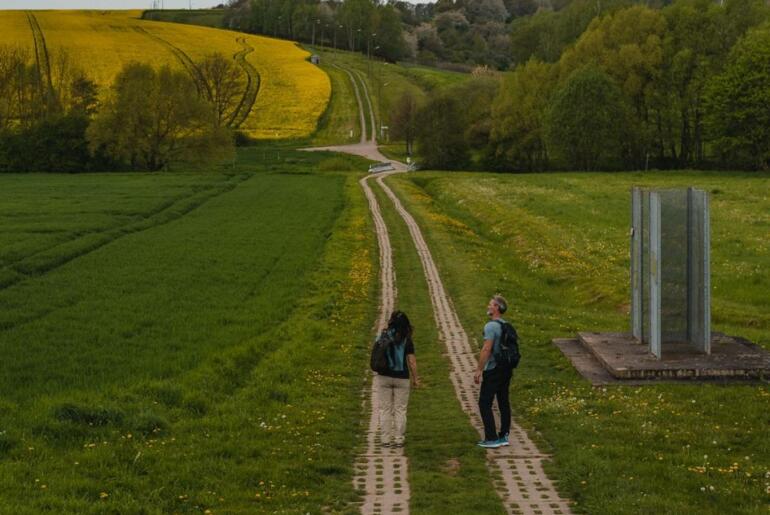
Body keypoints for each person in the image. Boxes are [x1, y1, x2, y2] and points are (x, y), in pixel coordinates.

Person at [375, 310, 420, 448]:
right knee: (400, 409)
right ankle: (399, 439)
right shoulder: (407, 339)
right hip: (402, 378)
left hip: (384, 376)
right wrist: (415, 378)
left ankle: (385, 440)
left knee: (385, 409)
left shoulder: (383, 336)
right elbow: (411, 361)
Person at [474, 295, 513, 449]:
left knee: (484, 402)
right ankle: (504, 436)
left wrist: (479, 369)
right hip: (506, 369)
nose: (488, 306)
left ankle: (491, 438)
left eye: (490, 304)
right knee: (503, 402)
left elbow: (486, 348)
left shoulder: (490, 326)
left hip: (493, 369)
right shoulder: (506, 325)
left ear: (497, 307)